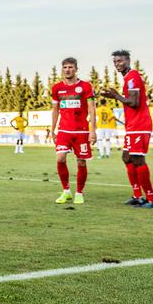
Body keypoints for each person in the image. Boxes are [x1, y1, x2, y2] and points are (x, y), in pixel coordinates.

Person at [102, 50, 153, 208]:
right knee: (127, 158)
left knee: (138, 160)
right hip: (133, 126)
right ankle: (138, 196)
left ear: (128, 61)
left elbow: (134, 102)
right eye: (115, 62)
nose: (117, 64)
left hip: (140, 125)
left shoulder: (132, 77)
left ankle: (152, 199)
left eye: (120, 61)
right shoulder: (128, 78)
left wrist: (116, 96)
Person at [50, 57, 96, 204]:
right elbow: (55, 109)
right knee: (60, 158)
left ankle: (79, 193)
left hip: (81, 131)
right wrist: (52, 129)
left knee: (81, 162)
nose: (67, 70)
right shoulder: (57, 88)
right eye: (65, 67)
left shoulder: (85, 86)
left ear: (76, 69)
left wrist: (93, 130)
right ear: (62, 69)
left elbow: (92, 109)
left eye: (70, 67)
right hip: (64, 130)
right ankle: (66, 191)